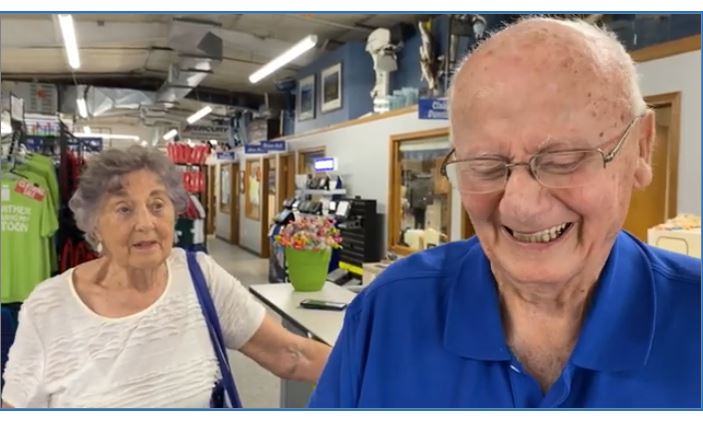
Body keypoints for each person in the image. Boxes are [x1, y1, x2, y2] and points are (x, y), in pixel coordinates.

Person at [309, 17, 701, 408]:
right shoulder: (388, 312)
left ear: (643, 148)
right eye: (485, 167)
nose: (520, 206)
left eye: (562, 161)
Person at [1, 145, 330, 408]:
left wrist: (376, 364)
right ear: (94, 223)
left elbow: (291, 355)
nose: (145, 223)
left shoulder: (200, 277)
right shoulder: (49, 307)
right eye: (124, 209)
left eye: (157, 205)